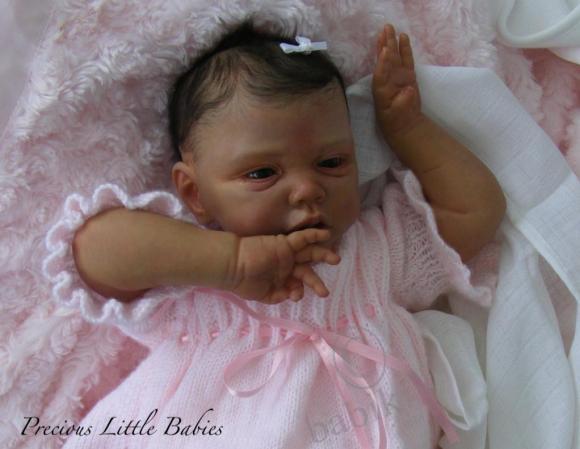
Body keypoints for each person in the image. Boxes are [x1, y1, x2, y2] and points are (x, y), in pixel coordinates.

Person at [45, 20, 505, 449]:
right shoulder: (190, 270)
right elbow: (91, 249)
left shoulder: (376, 255)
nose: (307, 189)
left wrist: (407, 128)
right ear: (195, 192)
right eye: (263, 172)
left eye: (332, 163)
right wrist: (228, 262)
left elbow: (476, 210)